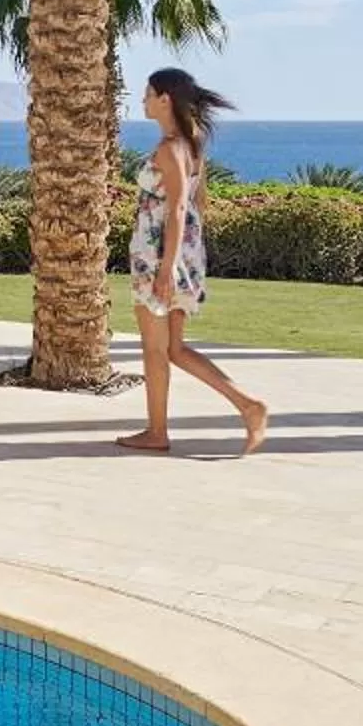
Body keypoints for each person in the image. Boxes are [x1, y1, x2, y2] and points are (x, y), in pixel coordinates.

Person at [121, 67, 269, 457]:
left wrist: (166, 268)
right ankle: (247, 406)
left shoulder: (171, 148)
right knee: (174, 349)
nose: (143, 100)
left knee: (155, 350)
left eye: (148, 94)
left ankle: (158, 432)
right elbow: (192, 205)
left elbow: (177, 208)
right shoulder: (190, 144)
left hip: (159, 258)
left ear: (165, 99)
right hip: (178, 254)